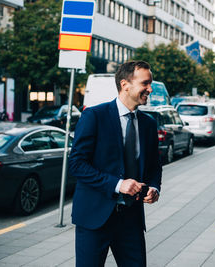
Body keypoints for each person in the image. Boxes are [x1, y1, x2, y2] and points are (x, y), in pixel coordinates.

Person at [69, 60, 162, 267]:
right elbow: (76, 164)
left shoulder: (148, 124)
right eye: (145, 83)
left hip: (131, 219)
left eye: (150, 83)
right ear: (125, 84)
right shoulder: (94, 116)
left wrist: (154, 187)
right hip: (94, 217)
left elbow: (155, 165)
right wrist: (118, 185)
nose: (150, 88)